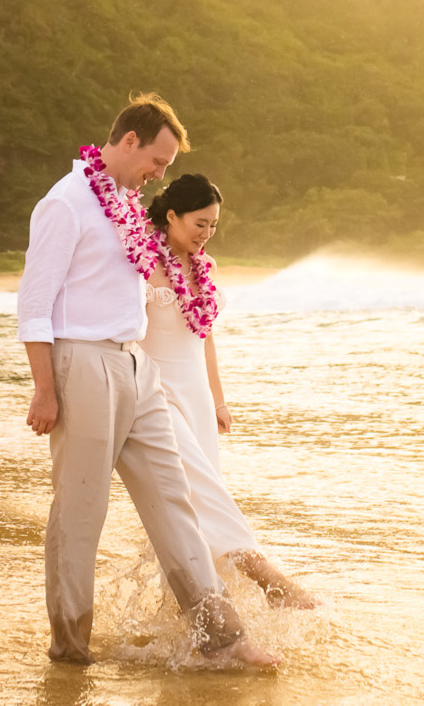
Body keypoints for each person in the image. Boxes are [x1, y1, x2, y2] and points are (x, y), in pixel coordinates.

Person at [17, 94, 278, 668]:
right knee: (81, 513)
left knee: (174, 497)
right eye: (157, 160)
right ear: (129, 140)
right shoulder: (65, 204)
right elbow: (34, 303)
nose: (161, 173)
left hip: (136, 365)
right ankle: (70, 646)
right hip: (82, 361)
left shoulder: (129, 204)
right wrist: (44, 388)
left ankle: (223, 640)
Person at [142, 173, 319, 608]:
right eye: (199, 224)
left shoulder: (207, 267)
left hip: (196, 393)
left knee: (197, 493)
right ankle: (267, 578)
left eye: (214, 226)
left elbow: (205, 336)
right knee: (197, 488)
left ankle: (190, 605)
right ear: (171, 216)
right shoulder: (140, 259)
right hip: (154, 390)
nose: (207, 234)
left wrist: (218, 399)